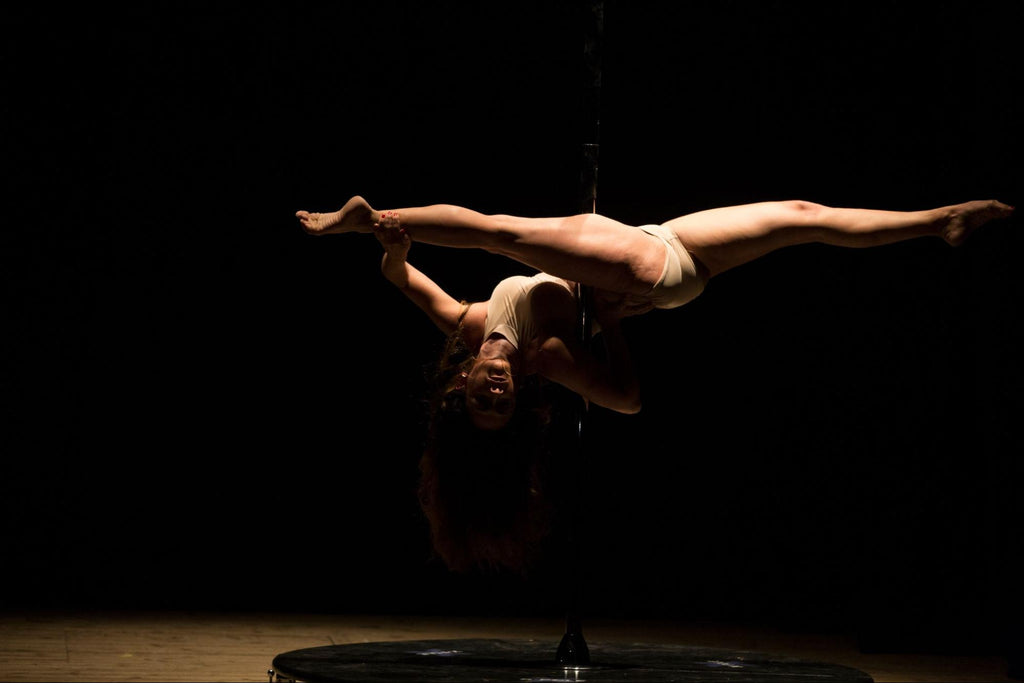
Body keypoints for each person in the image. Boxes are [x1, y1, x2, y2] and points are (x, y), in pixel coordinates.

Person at [295, 195, 1014, 573]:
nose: (495, 392)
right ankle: (366, 214)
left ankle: (936, 221)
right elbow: (628, 399)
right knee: (499, 233)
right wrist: (610, 322)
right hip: (640, 270)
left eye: (481, 398)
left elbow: (405, 281)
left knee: (803, 218)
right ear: (513, 395)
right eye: (502, 403)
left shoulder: (467, 319)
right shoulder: (545, 355)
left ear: (460, 387)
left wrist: (391, 256)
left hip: (661, 245)